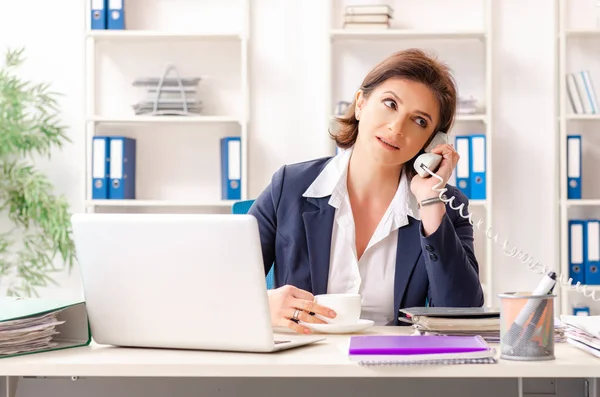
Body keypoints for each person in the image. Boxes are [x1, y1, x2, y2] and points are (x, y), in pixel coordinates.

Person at [248, 48, 484, 334]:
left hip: (394, 370)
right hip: (303, 365)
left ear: (433, 141)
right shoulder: (290, 186)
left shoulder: (443, 204)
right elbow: (222, 286)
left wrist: (430, 201)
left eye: (419, 121)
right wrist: (264, 305)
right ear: (360, 104)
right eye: (390, 103)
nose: (397, 127)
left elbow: (460, 317)